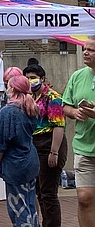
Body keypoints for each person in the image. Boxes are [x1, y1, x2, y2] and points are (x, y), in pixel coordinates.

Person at [23, 63, 67, 227]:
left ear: (42, 79)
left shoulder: (53, 97)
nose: (30, 81)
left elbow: (58, 126)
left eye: (33, 78)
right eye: (26, 78)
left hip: (50, 143)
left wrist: (54, 152)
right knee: (39, 192)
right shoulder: (30, 97)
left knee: (48, 193)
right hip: (35, 145)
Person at [0, 75, 40, 227]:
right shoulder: (32, 108)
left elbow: (1, 142)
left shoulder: (7, 112)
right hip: (31, 159)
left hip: (15, 163)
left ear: (12, 89)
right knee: (30, 202)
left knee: (18, 208)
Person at [62, 37, 95, 227]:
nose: (86, 53)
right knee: (84, 198)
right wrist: (74, 112)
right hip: (84, 147)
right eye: (84, 49)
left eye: (91, 50)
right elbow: (65, 106)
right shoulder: (77, 76)